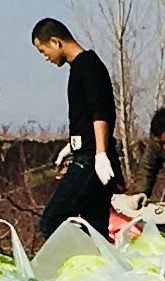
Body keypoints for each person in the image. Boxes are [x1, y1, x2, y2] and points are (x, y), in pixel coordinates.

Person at [31, 18, 118, 243]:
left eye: (43, 51)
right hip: (86, 153)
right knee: (95, 228)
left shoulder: (88, 66)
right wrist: (72, 144)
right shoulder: (79, 68)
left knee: (51, 222)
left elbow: (101, 112)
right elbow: (86, 117)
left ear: (55, 41)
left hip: (90, 161)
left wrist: (100, 154)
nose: (45, 57)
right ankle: (98, 268)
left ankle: (78, 263)